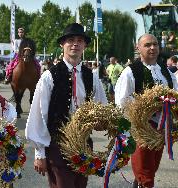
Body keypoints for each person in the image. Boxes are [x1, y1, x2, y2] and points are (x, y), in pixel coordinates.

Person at [25, 23, 107, 188]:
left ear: (84, 45)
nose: (75, 43)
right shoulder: (49, 76)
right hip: (58, 147)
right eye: (70, 40)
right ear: (62, 44)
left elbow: (103, 108)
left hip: (84, 145)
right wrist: (39, 153)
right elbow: (39, 115)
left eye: (79, 40)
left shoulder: (92, 77)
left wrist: (106, 123)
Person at [115, 34, 178, 188]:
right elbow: (121, 102)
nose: (152, 48)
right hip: (140, 130)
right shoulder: (130, 72)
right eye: (147, 45)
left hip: (159, 129)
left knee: (151, 169)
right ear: (138, 48)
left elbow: (175, 97)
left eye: (155, 44)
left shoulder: (166, 72)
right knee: (146, 175)